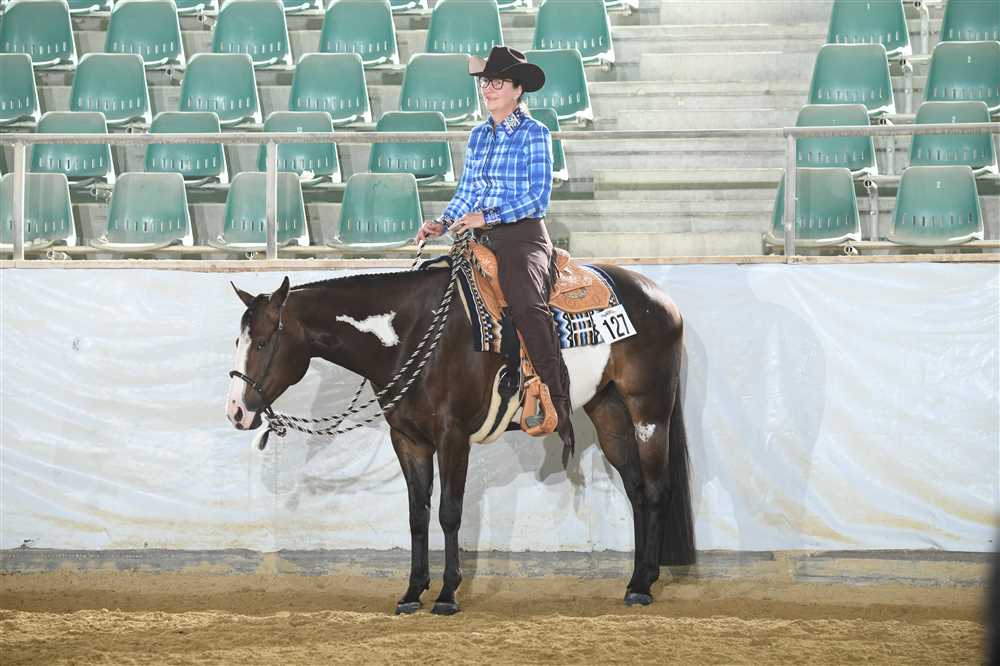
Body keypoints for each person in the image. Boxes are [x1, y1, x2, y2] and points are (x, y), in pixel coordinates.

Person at [415, 46, 575, 457]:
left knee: (525, 302)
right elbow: (466, 192)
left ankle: (556, 397)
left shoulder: (535, 134)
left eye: (498, 83)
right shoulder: (478, 135)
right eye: (486, 82)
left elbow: (537, 198)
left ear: (518, 90)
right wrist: (442, 222)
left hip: (522, 235)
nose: (488, 89)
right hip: (478, 234)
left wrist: (487, 216)